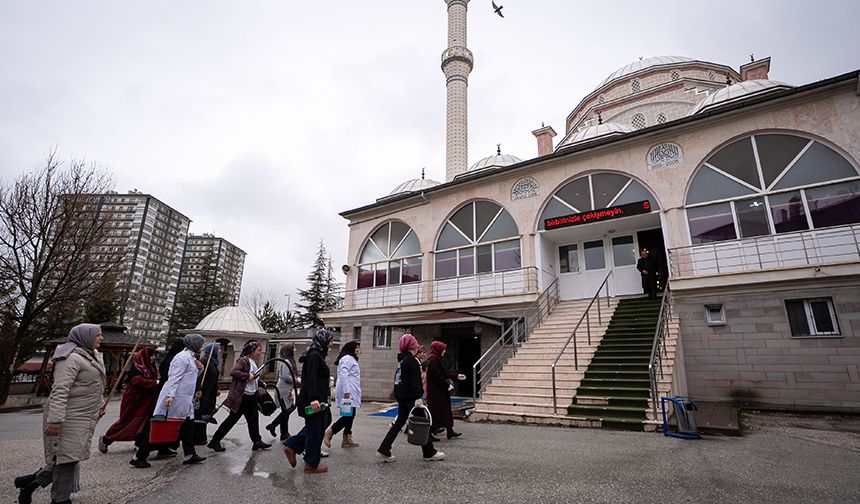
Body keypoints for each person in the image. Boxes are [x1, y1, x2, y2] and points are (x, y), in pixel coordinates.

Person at [15, 324, 106, 504]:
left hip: (84, 416)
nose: (101, 338)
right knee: (68, 459)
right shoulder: (71, 358)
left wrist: (100, 405)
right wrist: (55, 420)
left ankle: (30, 483)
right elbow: (60, 390)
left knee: (68, 457)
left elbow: (92, 388)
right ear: (85, 337)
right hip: (68, 416)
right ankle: (60, 500)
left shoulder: (92, 357)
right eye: (98, 335)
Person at [133, 334, 207, 467]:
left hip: (184, 399)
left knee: (188, 425)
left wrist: (200, 369)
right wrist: (171, 395)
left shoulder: (190, 358)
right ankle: (139, 456)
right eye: (200, 343)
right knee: (160, 426)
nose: (201, 346)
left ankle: (190, 454)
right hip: (175, 399)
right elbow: (174, 378)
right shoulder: (181, 358)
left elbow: (190, 377)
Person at [376, 333, 444, 463]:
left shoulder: (402, 361)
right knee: (423, 421)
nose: (417, 347)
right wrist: (419, 397)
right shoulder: (411, 361)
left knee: (399, 423)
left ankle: (384, 449)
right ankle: (429, 452)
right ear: (412, 346)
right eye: (415, 345)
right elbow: (415, 382)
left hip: (402, 396)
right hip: (411, 397)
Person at [282, 329, 335, 474]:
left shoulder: (318, 355)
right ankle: (311, 464)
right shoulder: (314, 356)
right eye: (329, 341)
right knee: (315, 429)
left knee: (322, 423)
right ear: (322, 341)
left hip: (319, 398)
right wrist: (314, 399)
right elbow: (309, 380)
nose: (331, 344)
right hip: (313, 399)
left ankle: (292, 445)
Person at [208, 340, 271, 452]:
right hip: (242, 397)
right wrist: (247, 376)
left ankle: (257, 441)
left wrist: (260, 383)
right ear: (251, 351)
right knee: (232, 420)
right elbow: (234, 372)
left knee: (253, 419)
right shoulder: (243, 361)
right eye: (258, 350)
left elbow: (253, 376)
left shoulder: (252, 362)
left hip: (251, 396)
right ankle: (215, 441)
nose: (260, 353)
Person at [99, 348, 159, 453]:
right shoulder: (137, 368)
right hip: (134, 400)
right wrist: (154, 383)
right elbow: (137, 381)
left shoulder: (152, 368)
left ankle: (138, 441)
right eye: (151, 355)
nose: (153, 358)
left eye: (154, 355)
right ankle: (106, 439)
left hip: (146, 400)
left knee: (142, 422)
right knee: (127, 420)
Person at [325, 340, 361, 449]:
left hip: (351, 390)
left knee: (350, 414)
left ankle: (347, 438)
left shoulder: (350, 358)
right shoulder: (347, 359)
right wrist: (346, 392)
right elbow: (343, 375)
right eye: (356, 347)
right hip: (348, 391)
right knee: (348, 415)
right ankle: (330, 432)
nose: (358, 350)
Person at [426, 341, 464, 440]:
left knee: (445, 411)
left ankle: (450, 431)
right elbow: (438, 377)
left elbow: (444, 372)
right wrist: (447, 385)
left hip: (439, 391)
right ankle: (429, 433)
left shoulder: (436, 359)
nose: (445, 351)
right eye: (443, 349)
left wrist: (456, 376)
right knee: (438, 412)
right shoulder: (433, 360)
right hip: (436, 392)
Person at [266, 343, 298, 441]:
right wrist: (297, 380)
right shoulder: (286, 361)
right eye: (294, 348)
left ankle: (277, 428)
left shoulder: (289, 361)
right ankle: (282, 431)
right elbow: (285, 376)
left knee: (288, 410)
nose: (295, 349)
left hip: (287, 389)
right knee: (286, 410)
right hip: (283, 390)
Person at [193, 342, 221, 445]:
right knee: (200, 413)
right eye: (218, 349)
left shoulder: (213, 362)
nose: (220, 351)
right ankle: (196, 437)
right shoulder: (205, 360)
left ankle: (202, 436)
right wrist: (198, 389)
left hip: (210, 392)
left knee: (206, 414)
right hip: (203, 393)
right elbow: (199, 376)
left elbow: (213, 377)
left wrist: (216, 388)